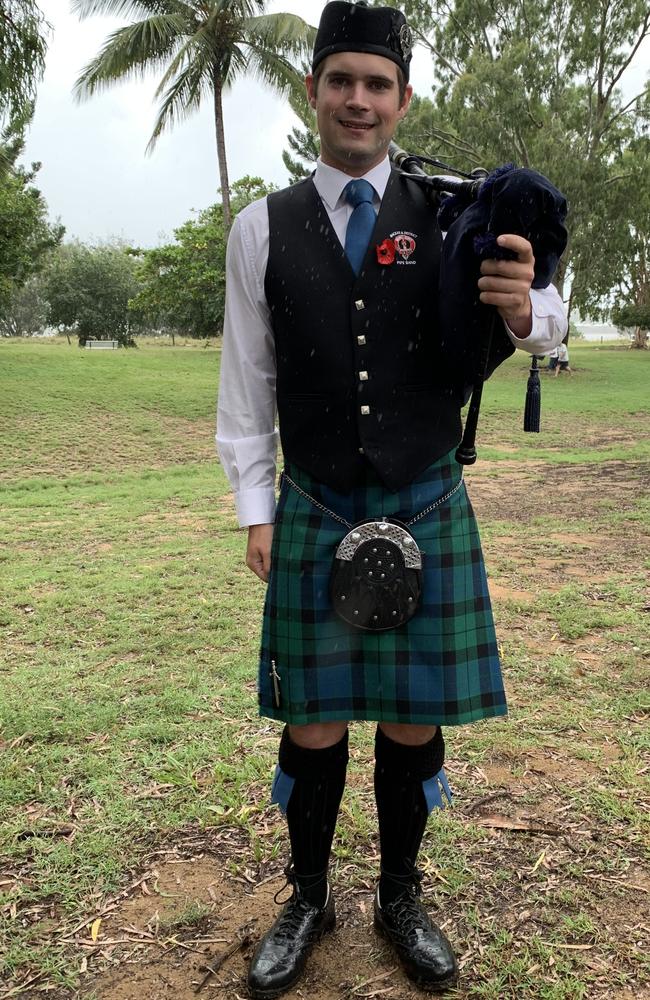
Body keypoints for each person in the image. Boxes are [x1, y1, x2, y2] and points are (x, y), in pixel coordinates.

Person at [216, 3, 568, 995]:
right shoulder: (260, 227)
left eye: (377, 83)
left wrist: (526, 309)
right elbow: (246, 382)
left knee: (411, 719)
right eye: (341, 80)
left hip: (422, 497)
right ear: (313, 91)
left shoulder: (454, 213)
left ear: (402, 98)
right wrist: (254, 506)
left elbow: (548, 320)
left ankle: (401, 892)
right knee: (313, 720)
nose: (358, 100)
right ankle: (308, 892)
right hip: (316, 500)